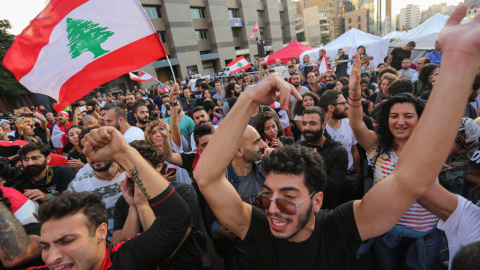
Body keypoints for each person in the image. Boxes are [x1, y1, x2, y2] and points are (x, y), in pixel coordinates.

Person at [193, 6, 479, 268]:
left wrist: (459, 63)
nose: (273, 209)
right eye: (268, 196)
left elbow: (410, 180)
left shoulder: (338, 227)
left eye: (288, 198)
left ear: (317, 201)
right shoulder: (257, 228)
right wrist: (250, 97)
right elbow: (206, 177)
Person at [32, 125, 192, 269]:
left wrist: (123, 153)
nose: (52, 258)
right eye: (45, 246)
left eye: (67, 241)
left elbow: (172, 226)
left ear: (100, 232)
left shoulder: (123, 261)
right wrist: (134, 206)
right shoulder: (115, 197)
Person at [112, 140, 204, 269]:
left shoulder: (182, 193)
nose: (131, 175)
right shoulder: (124, 201)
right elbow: (119, 249)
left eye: (138, 169)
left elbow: (164, 250)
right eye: (127, 168)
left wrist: (143, 205)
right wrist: (133, 207)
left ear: (158, 166)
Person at [297, 106, 348, 209]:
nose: (307, 128)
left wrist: (315, 167)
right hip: (299, 206)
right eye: (304, 123)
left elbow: (335, 187)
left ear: (323, 125)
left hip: (325, 210)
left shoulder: (338, 151)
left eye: (312, 124)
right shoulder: (298, 147)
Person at [6, 143, 75, 203]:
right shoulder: (20, 180)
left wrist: (47, 197)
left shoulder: (63, 172)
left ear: (48, 159)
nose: (30, 163)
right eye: (25, 159)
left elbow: (70, 201)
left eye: (35, 158)